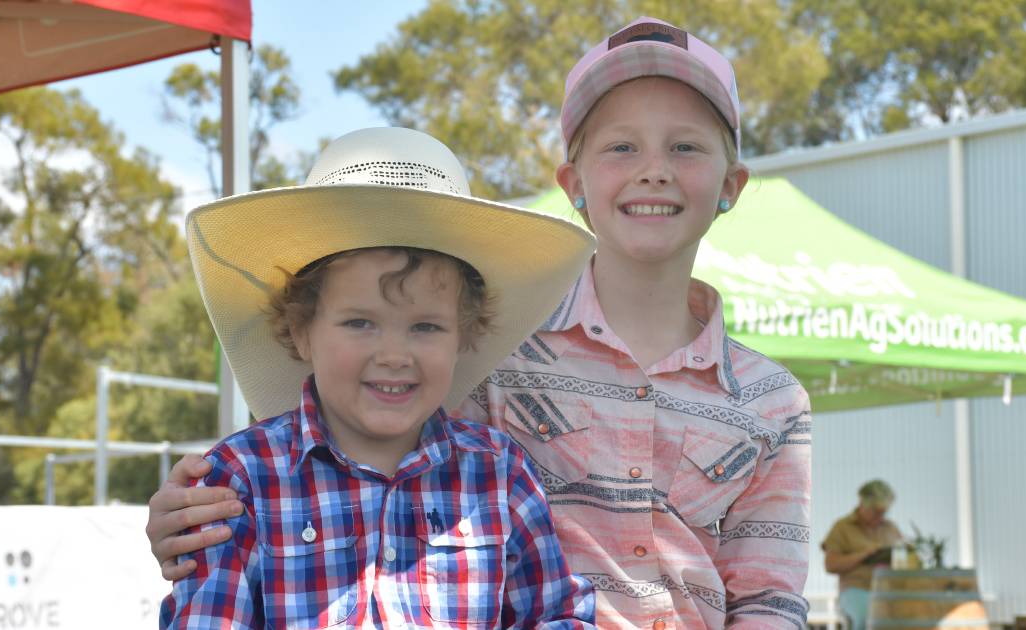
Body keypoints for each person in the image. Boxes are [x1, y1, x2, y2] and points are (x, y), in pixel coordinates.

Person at [147, 17, 813, 629]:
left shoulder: (772, 400)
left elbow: (768, 598)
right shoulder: (495, 357)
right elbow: (346, 452)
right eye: (621, 146)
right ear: (572, 181)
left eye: (686, 147)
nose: (654, 171)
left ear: (731, 185)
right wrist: (180, 520)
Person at [158, 126, 597, 628]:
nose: (394, 354)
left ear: (464, 336)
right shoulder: (241, 479)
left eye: (426, 326)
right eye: (360, 322)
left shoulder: (499, 474)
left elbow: (557, 613)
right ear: (302, 331)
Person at [821, 479, 904, 630]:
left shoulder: (891, 528)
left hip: (889, 590)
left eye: (883, 512)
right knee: (869, 616)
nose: (879, 517)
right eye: (875, 512)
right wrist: (863, 555)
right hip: (856, 589)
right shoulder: (842, 527)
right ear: (862, 504)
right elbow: (830, 565)